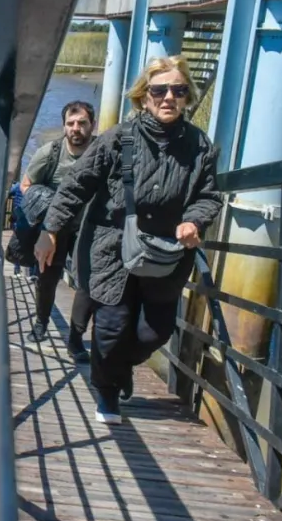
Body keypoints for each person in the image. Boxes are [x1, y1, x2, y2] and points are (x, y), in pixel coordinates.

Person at [34, 56, 223, 425]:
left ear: (187, 96)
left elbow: (209, 195)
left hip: (166, 253)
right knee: (110, 326)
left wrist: (194, 220)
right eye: (159, 90)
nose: (168, 97)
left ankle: (120, 366)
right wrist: (50, 231)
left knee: (155, 332)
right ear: (144, 96)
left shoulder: (198, 145)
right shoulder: (118, 138)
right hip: (111, 246)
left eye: (178, 90)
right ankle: (107, 393)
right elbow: (75, 186)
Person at [20, 100, 98, 360]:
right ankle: (41, 322)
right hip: (54, 229)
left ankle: (75, 339)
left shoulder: (103, 152)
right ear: (64, 126)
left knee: (88, 283)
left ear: (92, 125)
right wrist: (48, 210)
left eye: (82, 123)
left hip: (89, 229)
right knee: (47, 278)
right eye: (70, 123)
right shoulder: (49, 153)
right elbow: (26, 185)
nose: (76, 128)